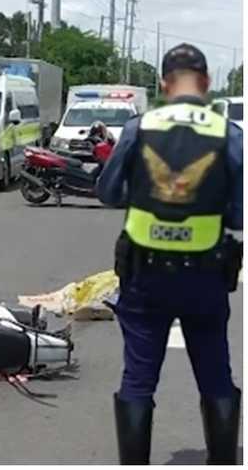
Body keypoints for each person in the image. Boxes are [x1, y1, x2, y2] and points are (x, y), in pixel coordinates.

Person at [96, 43, 242, 464]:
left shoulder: (139, 127)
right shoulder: (227, 133)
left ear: (163, 84)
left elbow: (107, 192)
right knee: (216, 376)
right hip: (206, 277)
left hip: (145, 277)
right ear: (207, 84)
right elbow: (238, 208)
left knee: (138, 379)